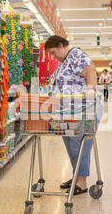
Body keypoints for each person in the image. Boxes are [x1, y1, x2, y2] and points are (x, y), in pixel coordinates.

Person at [44, 35, 102, 195]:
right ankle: (76, 176)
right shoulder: (65, 61)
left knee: (79, 144)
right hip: (69, 111)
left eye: (53, 52)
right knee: (71, 144)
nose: (53, 56)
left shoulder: (76, 55)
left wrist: (91, 89)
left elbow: (90, 69)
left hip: (83, 110)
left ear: (61, 45)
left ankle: (82, 182)